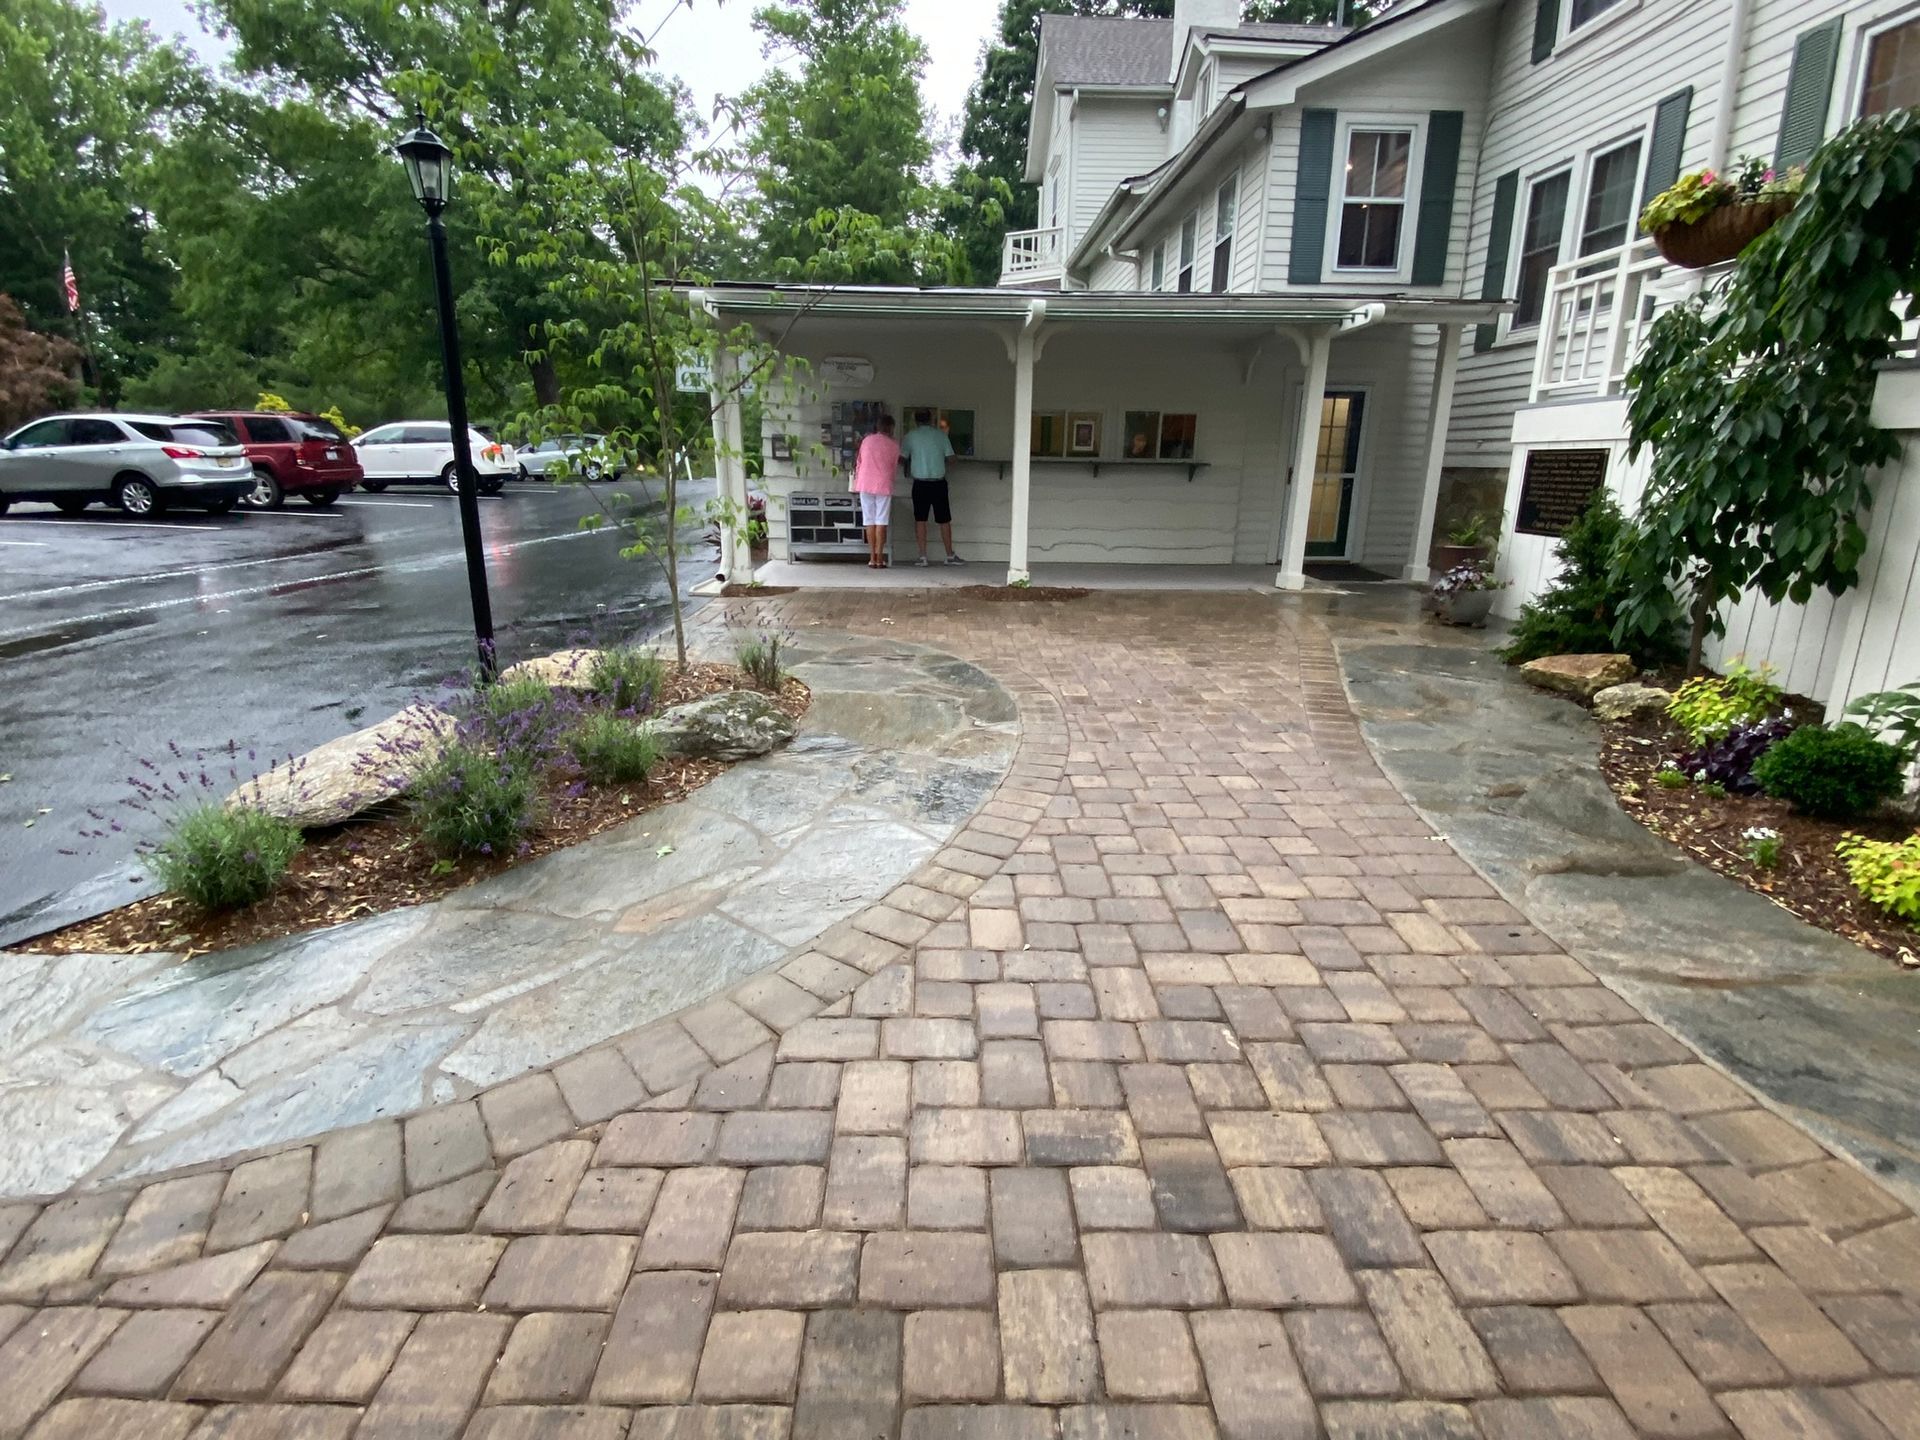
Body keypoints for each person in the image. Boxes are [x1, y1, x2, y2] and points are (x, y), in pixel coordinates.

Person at [901, 408, 964, 566]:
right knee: (944, 520)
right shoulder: (941, 436)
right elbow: (951, 459)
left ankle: (923, 556)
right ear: (931, 420)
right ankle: (949, 555)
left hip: (920, 483)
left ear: (916, 420)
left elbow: (902, 458)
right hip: (938, 482)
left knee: (920, 519)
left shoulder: (910, 437)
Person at [851, 414, 899, 568]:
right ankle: (879, 557)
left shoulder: (866, 441)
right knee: (881, 521)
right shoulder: (894, 445)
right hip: (883, 484)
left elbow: (859, 462)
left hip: (865, 483)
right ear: (891, 428)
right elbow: (893, 466)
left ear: (877, 426)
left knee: (868, 520)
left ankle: (871, 557)